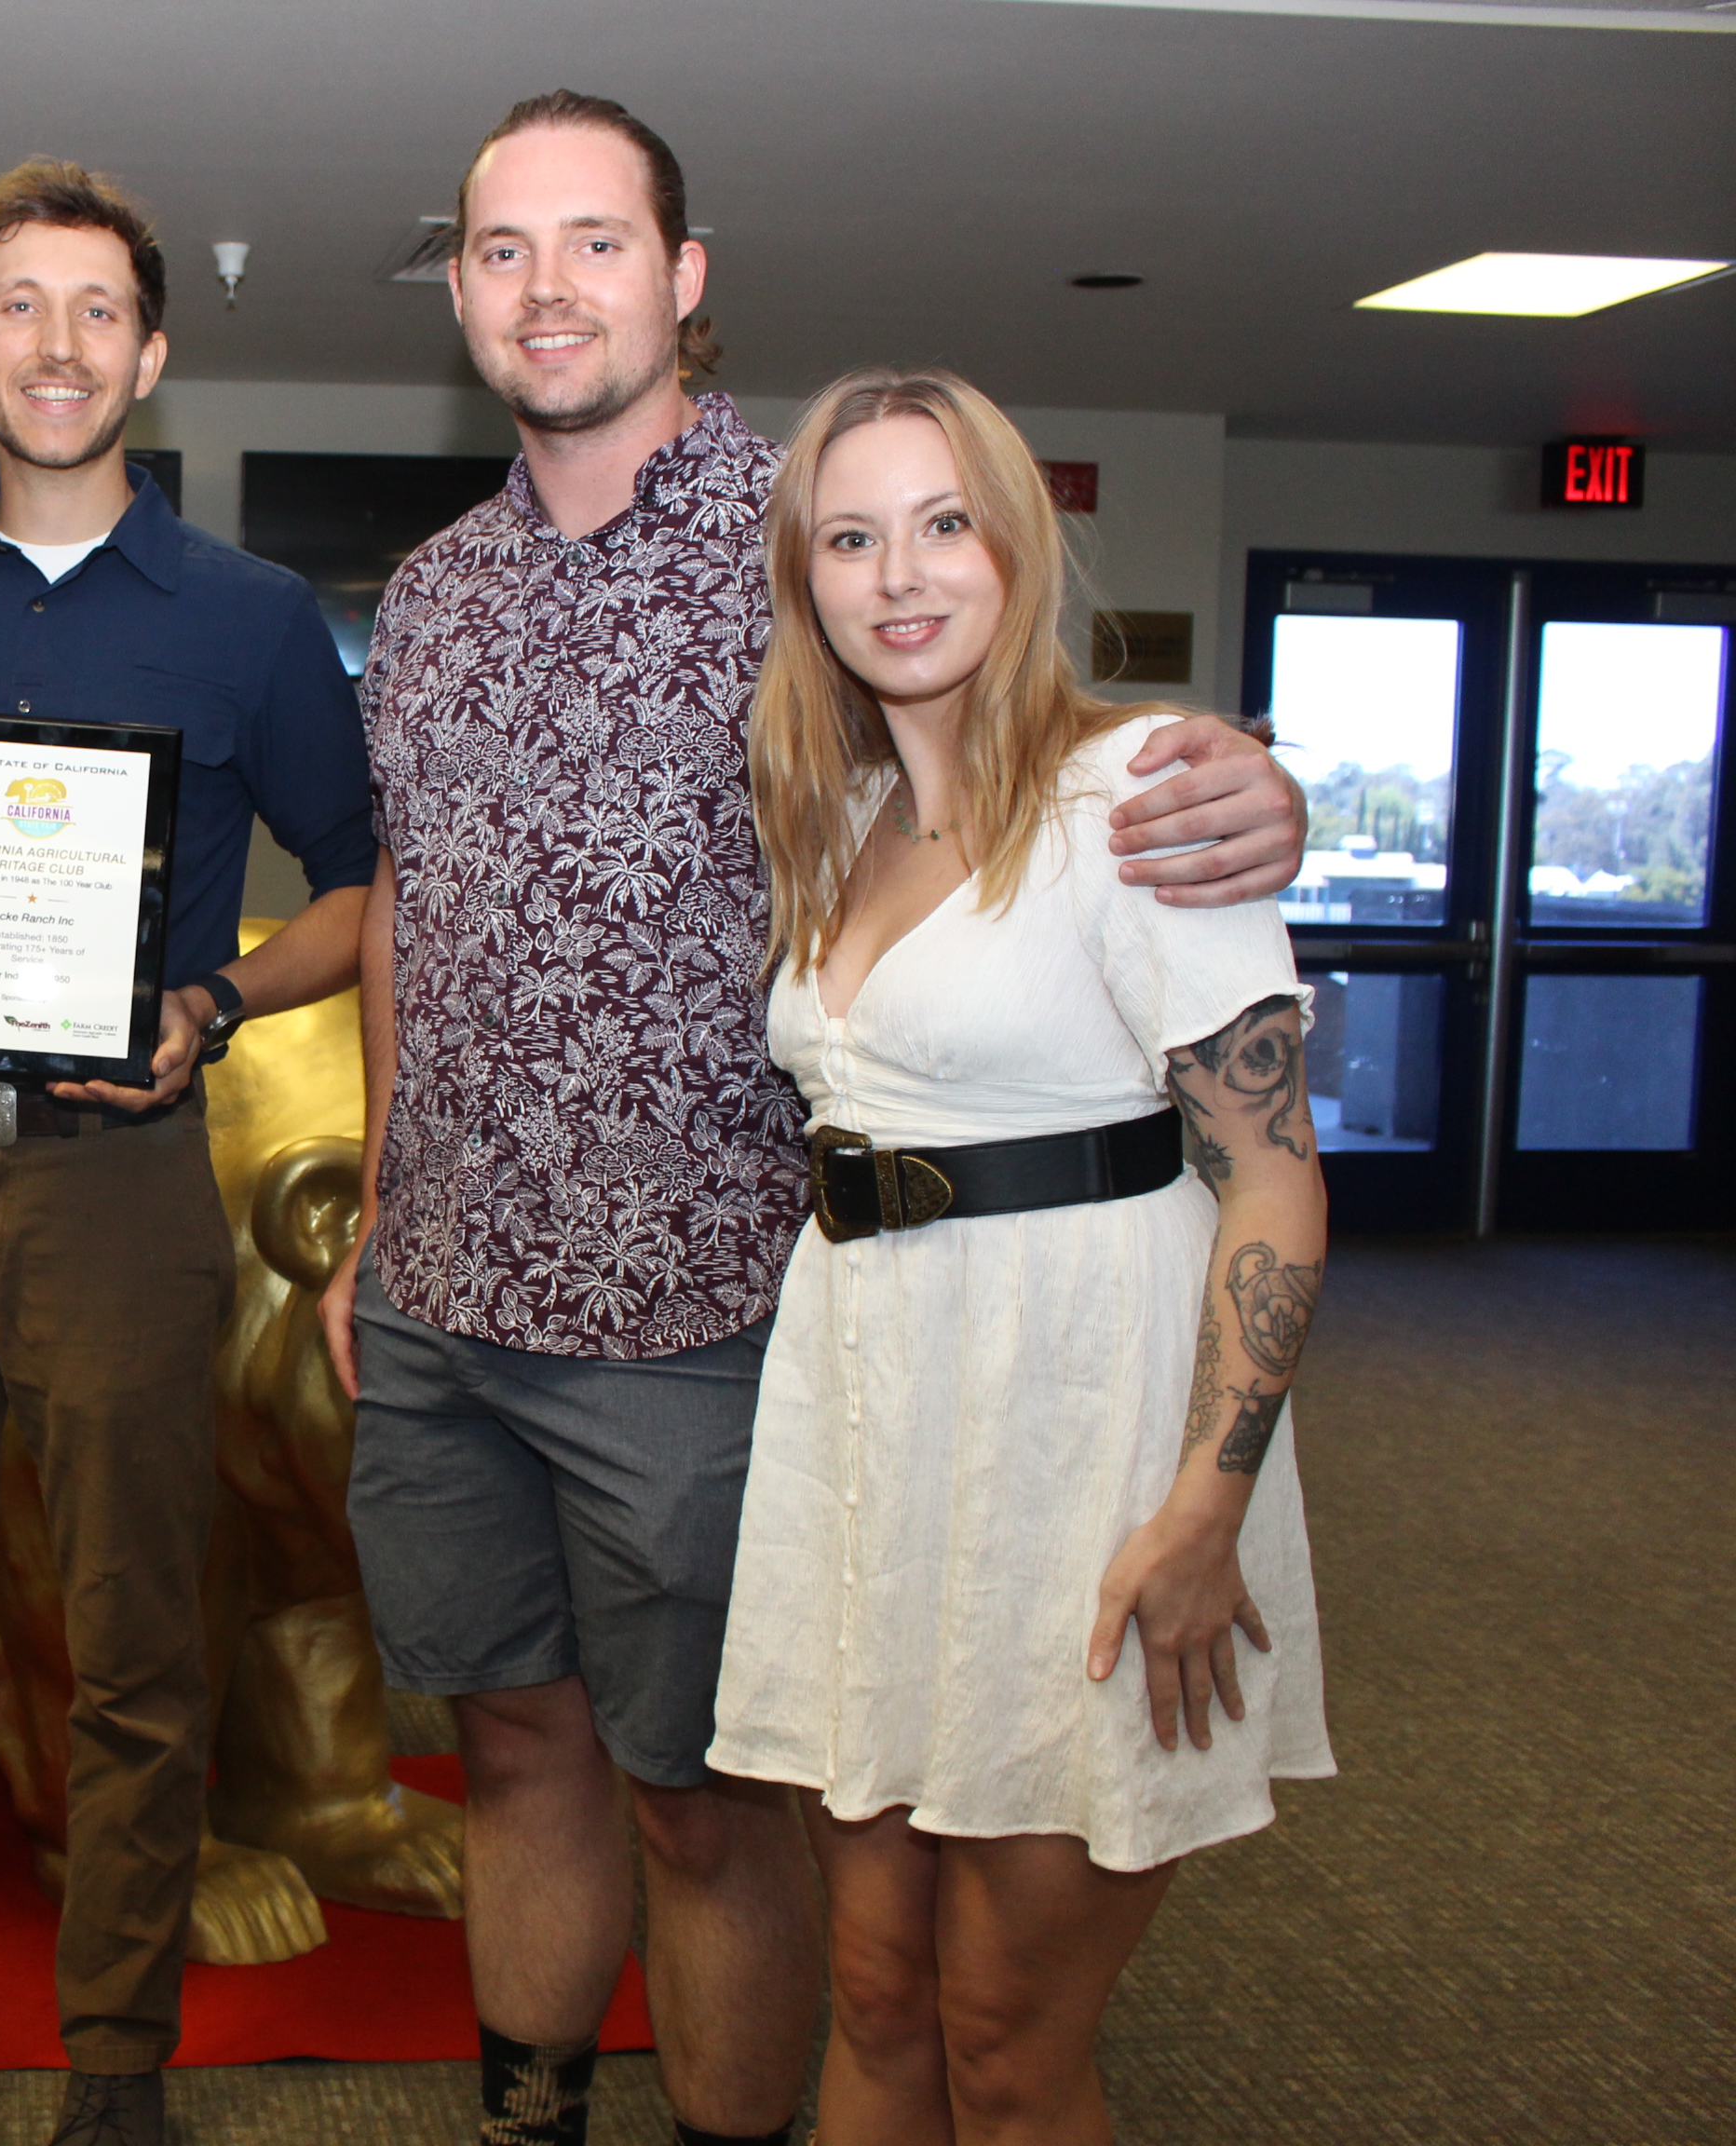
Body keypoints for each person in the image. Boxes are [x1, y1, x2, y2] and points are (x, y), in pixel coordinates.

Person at [319, 94, 1312, 2146]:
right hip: (441, 1302)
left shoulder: (809, 537)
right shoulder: (428, 594)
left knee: (710, 1806)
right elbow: (416, 905)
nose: (548, 288)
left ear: (682, 277)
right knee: (510, 1748)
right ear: (461, 292)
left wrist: (1253, 783)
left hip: (708, 1313)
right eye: (502, 250)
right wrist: (377, 1211)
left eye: (597, 242)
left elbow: (1025, 734)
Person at [0, 160, 374, 2146]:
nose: (57, 344)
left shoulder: (253, 619)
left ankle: (116, 2063)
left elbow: (367, 890)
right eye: (20, 306)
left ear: (152, 353)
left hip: (123, 1176)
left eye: (98, 309)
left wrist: (222, 1002)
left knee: (133, 1633)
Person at [714, 364, 1333, 2142]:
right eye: (851, 539)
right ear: (808, 581)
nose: (900, 574)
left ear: (1017, 550)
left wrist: (1204, 1515)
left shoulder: (1136, 795)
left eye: (944, 524)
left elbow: (1274, 1184)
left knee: (1004, 2028)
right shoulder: (838, 819)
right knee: (877, 1996)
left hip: (1081, 1438)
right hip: (871, 1432)